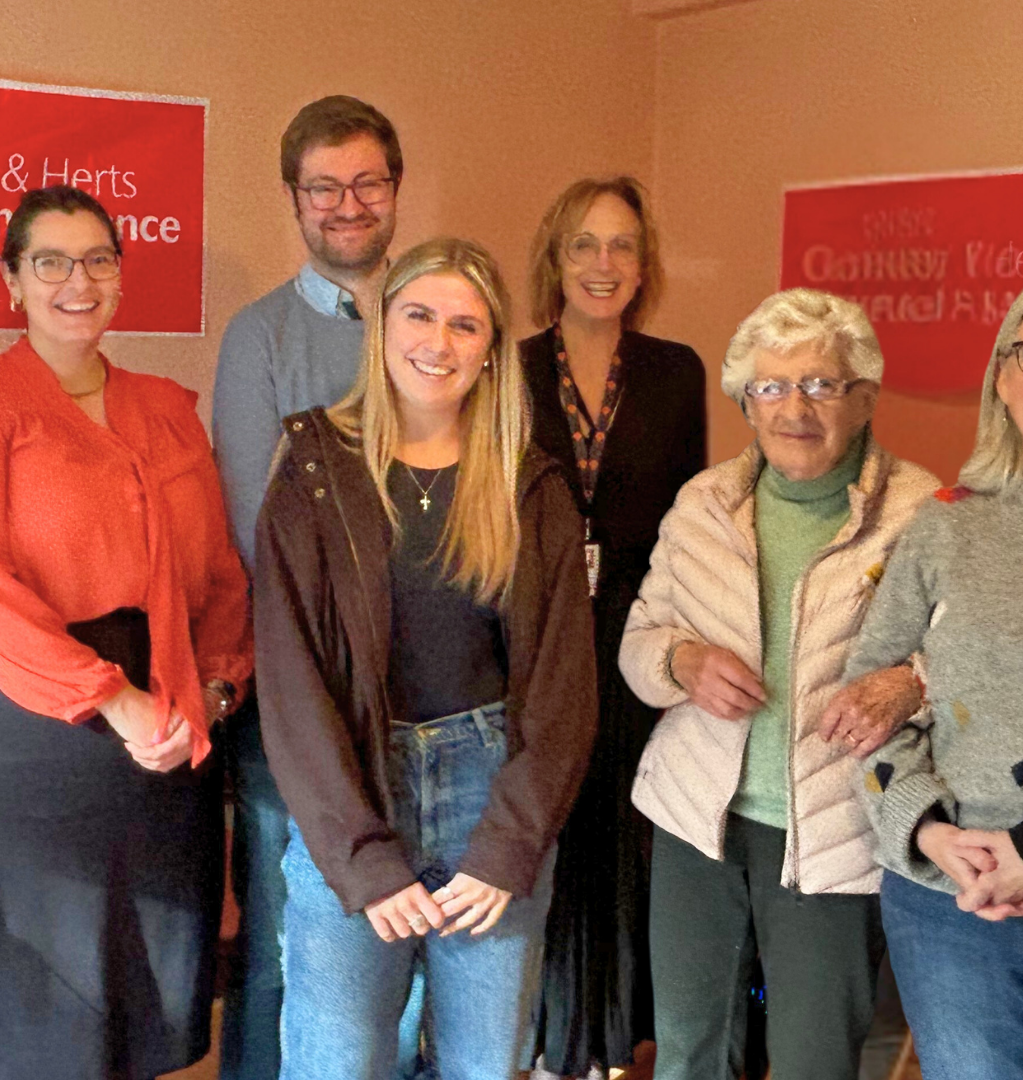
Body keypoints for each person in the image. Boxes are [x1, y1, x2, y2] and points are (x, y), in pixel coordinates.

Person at [0, 185, 252, 1080]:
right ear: (12, 279)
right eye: (50, 261)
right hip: (31, 741)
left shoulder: (167, 407)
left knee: (152, 998)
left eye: (98, 259)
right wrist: (116, 700)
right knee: (48, 1015)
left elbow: (217, 573)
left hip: (169, 739)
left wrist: (207, 695)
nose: (77, 280)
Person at [255, 237, 597, 1079]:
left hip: (493, 792)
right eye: (418, 314)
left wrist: (508, 847)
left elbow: (564, 684)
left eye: (464, 325)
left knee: (487, 1063)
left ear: (489, 351)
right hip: (353, 789)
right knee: (341, 1062)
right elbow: (293, 684)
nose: (437, 343)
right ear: (381, 325)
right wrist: (361, 853)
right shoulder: (313, 471)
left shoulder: (529, 483)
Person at [617, 289, 938, 1080]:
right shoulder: (705, 503)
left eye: (821, 384)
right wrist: (682, 664)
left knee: (813, 1060)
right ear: (746, 402)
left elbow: (971, 663)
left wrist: (907, 682)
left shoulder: (924, 513)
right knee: (690, 1049)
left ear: (864, 397)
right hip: (699, 821)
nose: (795, 407)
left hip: (836, 829)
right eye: (771, 386)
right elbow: (639, 642)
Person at [845, 270, 1023, 1078]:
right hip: (953, 910)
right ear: (1004, 378)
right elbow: (867, 700)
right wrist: (928, 830)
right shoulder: (947, 523)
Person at [210, 94, 407, 1080]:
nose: (346, 203)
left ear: (395, 190)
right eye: (323, 186)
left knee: (406, 945)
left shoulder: (440, 323)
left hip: (428, 702)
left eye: (366, 181)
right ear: (293, 199)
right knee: (289, 949)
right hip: (300, 699)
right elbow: (263, 536)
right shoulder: (260, 340)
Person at [516, 176, 706, 1080]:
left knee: (626, 839)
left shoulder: (676, 372)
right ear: (555, 256)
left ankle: (614, 1040)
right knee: (548, 827)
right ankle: (546, 1038)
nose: (603, 263)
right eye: (585, 244)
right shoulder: (506, 369)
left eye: (623, 245)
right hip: (537, 639)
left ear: (645, 264)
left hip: (636, 640)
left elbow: (692, 521)